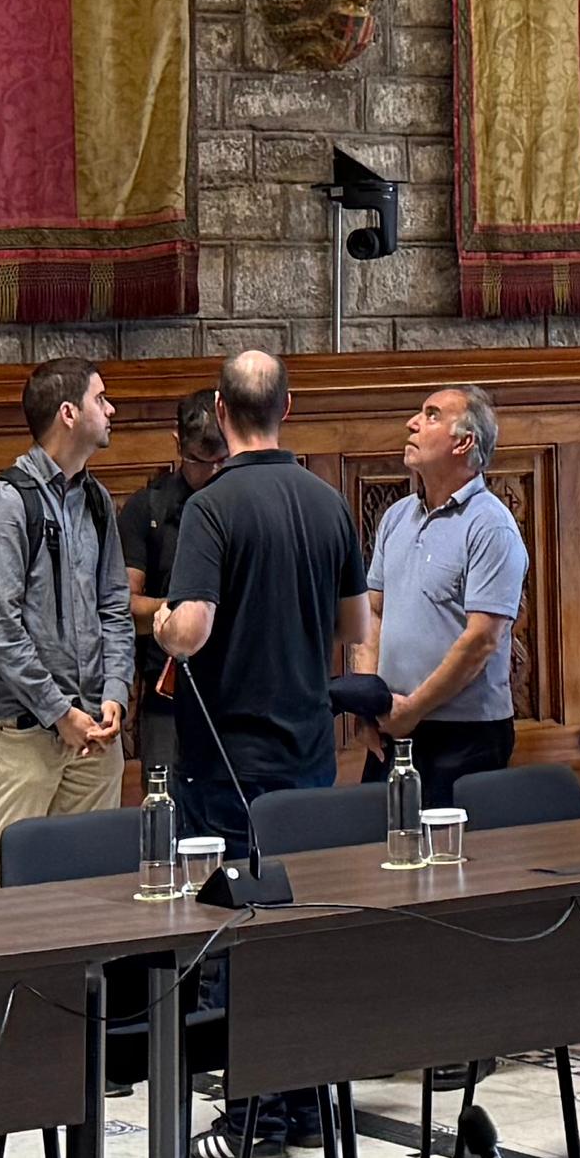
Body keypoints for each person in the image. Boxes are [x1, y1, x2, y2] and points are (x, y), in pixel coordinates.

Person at [149, 348, 365, 850]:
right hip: (310, 750)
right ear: (286, 406)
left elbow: (189, 633)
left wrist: (164, 625)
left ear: (220, 409)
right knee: (304, 888)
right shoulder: (330, 501)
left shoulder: (209, 506)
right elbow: (355, 626)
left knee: (229, 893)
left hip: (228, 762)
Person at [0, 358, 130, 858]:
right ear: (68, 414)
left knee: (90, 886)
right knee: (6, 892)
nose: (111, 409)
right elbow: (0, 630)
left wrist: (116, 691)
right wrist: (58, 712)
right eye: (100, 399)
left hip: (95, 734)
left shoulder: (97, 501)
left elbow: (115, 606)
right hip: (22, 738)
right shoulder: (5, 503)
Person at [362, 383, 527, 811]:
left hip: (464, 735)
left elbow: (481, 640)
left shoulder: (490, 526)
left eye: (431, 415)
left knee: (453, 852)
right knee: (378, 844)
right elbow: (373, 613)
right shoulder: (396, 517)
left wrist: (413, 709)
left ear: (464, 442)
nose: (412, 423)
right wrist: (368, 704)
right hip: (391, 725)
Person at [123, 386, 227, 788]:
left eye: (222, 461)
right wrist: (184, 608)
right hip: (168, 692)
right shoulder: (147, 507)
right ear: (178, 445)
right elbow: (124, 607)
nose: (213, 473)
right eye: (201, 461)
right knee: (163, 802)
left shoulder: (242, 503)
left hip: (235, 688)